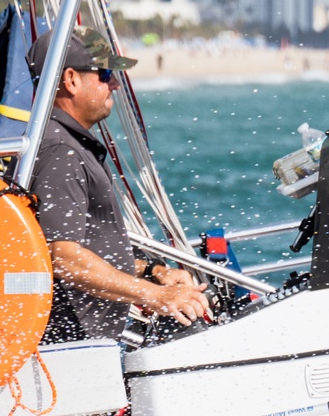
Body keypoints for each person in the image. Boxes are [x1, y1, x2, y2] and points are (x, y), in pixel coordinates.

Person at [27, 27, 212, 340]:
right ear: (71, 80)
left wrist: (155, 274)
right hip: (74, 348)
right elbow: (63, 257)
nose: (114, 83)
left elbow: (91, 247)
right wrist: (155, 296)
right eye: (105, 73)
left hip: (90, 343)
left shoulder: (68, 144)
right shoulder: (61, 151)